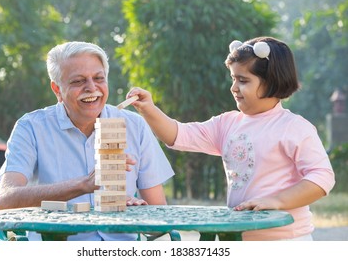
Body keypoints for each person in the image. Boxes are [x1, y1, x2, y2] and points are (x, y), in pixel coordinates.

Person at [126, 36, 335, 241]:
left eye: (243, 80)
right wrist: (149, 110)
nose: (233, 88)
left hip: (286, 241)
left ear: (272, 81)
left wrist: (277, 200)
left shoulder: (295, 128)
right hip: (237, 239)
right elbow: (178, 135)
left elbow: (322, 177)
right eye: (233, 78)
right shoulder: (227, 124)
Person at [0, 41, 174, 241]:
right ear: (57, 89)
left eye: (99, 78)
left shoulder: (135, 126)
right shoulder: (31, 127)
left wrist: (138, 214)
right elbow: (6, 200)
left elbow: (159, 226)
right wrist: (83, 184)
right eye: (78, 81)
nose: (91, 88)